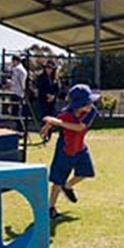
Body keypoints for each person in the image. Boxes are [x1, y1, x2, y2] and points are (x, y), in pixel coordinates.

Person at [40, 84, 99, 220]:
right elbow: (58, 118)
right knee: (58, 180)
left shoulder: (91, 111)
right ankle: (50, 208)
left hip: (80, 147)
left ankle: (68, 185)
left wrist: (57, 122)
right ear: (79, 104)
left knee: (86, 172)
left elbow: (79, 128)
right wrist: (47, 126)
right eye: (87, 102)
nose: (91, 104)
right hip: (65, 149)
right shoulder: (67, 113)